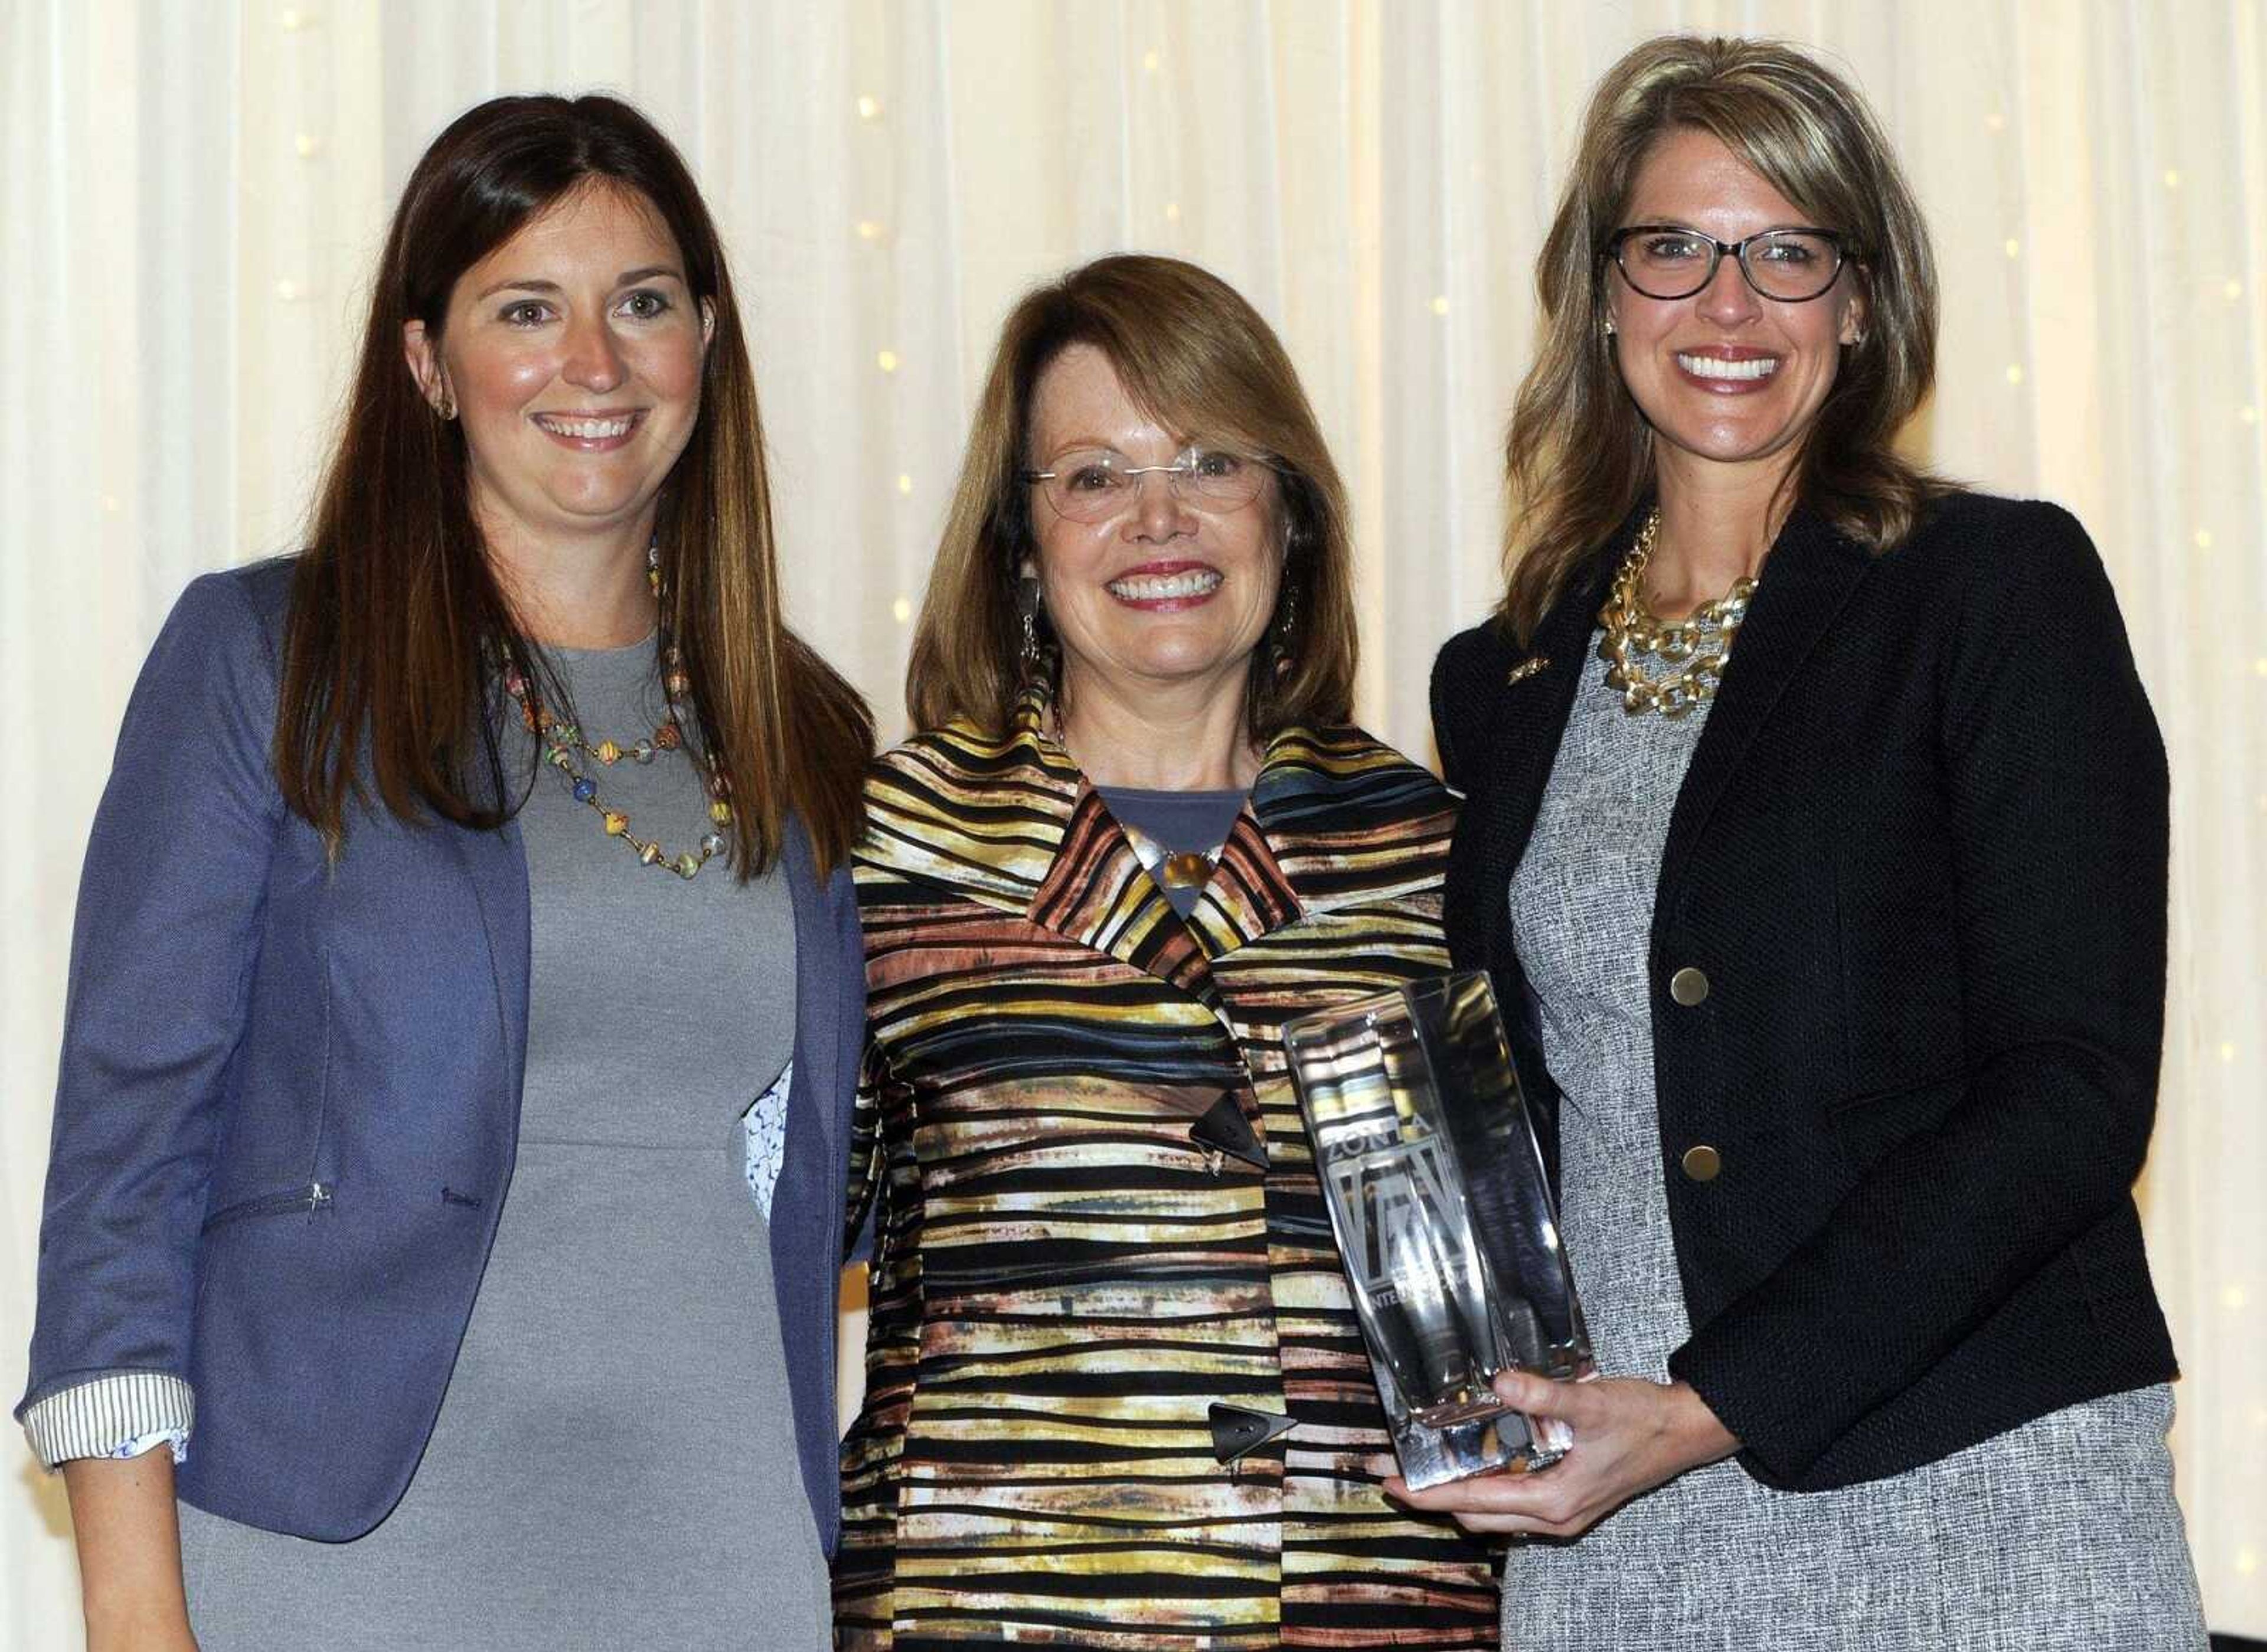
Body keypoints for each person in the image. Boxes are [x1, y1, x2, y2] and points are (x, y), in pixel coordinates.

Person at [16, 94, 871, 1651]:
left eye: (644, 304)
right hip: (347, 1560)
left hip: (722, 1545)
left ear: (708, 342)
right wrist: (134, 1613)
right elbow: (127, 1157)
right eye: (525, 309)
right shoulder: (266, 660)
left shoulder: (803, 722)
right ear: (428, 363)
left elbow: (820, 1164)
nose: (594, 364)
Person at [1413, 34, 2207, 1649]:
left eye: (1789, 252)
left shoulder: (1994, 591)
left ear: (1861, 299)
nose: (1728, 305)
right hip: (1608, 1509)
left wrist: (1711, 1399)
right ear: (1602, 293)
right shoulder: (1495, 675)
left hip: (1975, 1491)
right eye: (1674, 249)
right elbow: (1515, 1116)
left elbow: (2070, 1093)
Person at [835, 254, 1498, 1649]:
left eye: (1210, 459)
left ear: (1290, 516)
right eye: (1092, 474)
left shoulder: (1438, 853)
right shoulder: (879, 844)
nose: (1159, 517)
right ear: (1021, 542)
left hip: (1370, 1609)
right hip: (988, 1607)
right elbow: (761, 1232)